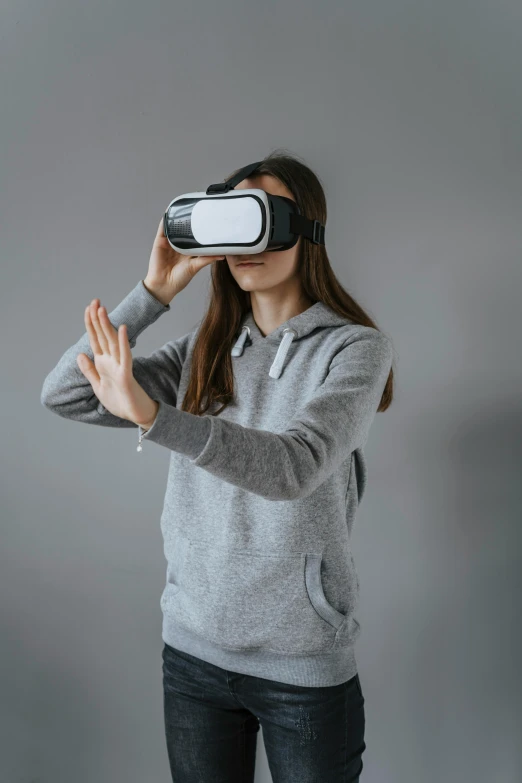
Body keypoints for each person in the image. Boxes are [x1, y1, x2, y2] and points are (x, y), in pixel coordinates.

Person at [41, 150, 395, 782]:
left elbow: (295, 465)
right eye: (232, 220)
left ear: (305, 230)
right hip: (193, 655)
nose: (245, 242)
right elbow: (65, 391)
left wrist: (156, 417)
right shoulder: (202, 353)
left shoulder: (355, 350)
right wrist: (152, 294)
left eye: (264, 218)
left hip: (301, 666)